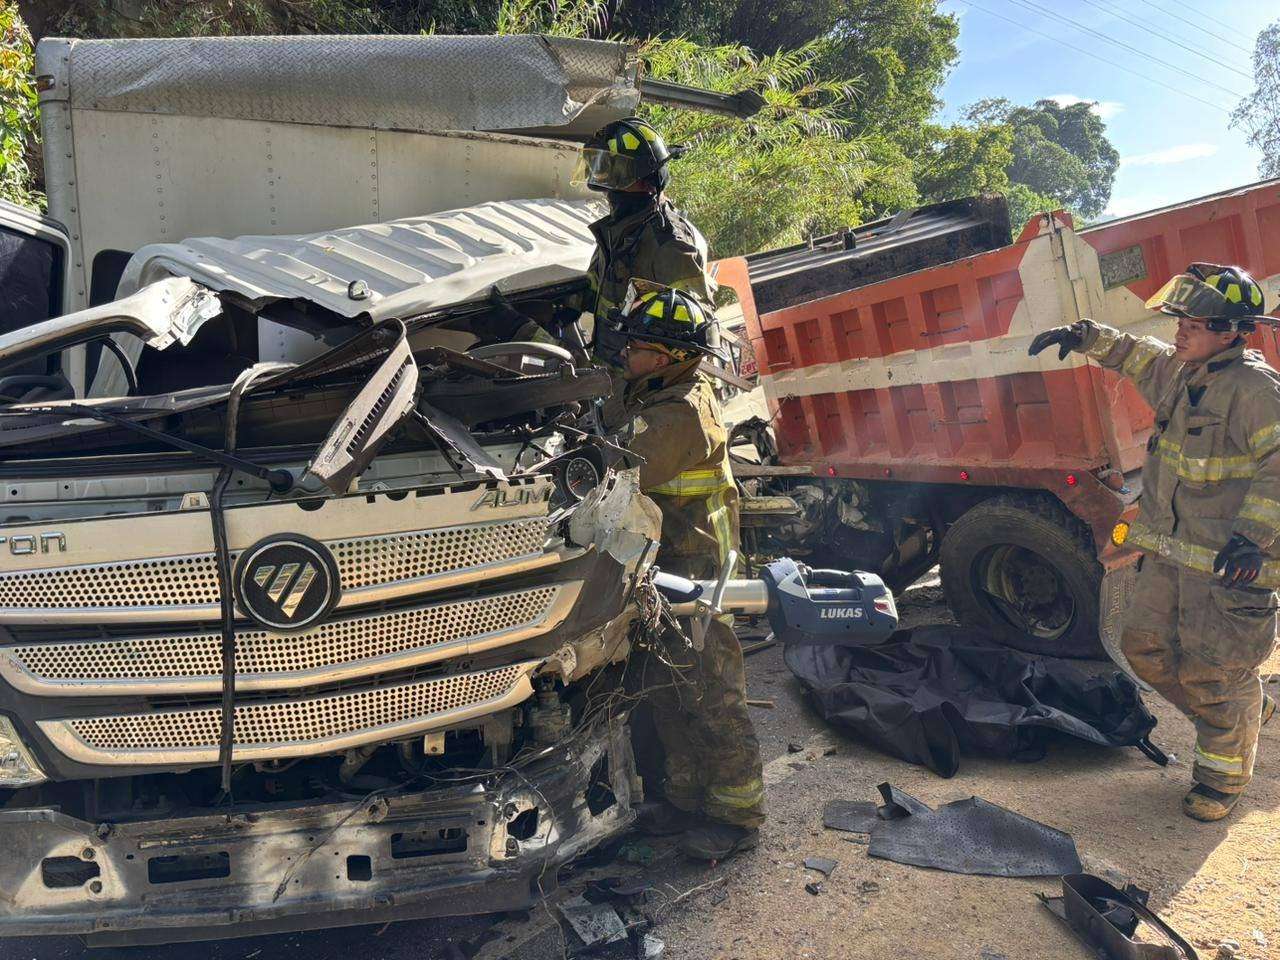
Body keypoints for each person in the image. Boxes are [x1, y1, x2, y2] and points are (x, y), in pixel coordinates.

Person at [1029, 263, 1280, 821]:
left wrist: (1252, 539)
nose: (1180, 330)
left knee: (1213, 675)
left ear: (1232, 330)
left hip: (1230, 567)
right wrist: (1084, 334)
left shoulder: (1255, 391)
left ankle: (1221, 782)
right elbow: (1133, 352)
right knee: (1143, 647)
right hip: (1170, 555)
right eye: (1181, 319)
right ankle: (1242, 712)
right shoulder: (1181, 372)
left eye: (1195, 322)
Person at [607, 284, 765, 860]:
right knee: (666, 685)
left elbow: (623, 466)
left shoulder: (680, 411)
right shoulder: (654, 390)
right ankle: (682, 799)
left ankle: (735, 813)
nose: (626, 353)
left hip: (696, 568)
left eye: (638, 345)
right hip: (664, 562)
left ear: (672, 356)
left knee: (709, 690)